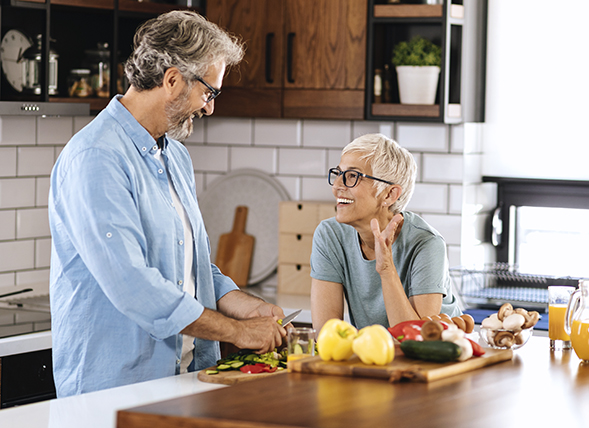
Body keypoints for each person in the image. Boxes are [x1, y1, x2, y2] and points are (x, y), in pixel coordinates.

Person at [48, 11, 286, 397]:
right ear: (173, 80)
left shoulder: (174, 155)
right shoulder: (96, 157)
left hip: (183, 381)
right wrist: (238, 332)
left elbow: (187, 266)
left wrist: (237, 303)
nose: (209, 108)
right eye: (209, 92)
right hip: (113, 391)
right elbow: (133, 284)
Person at [310, 133, 462, 333]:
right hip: (378, 355)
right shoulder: (330, 235)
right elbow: (326, 333)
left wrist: (387, 270)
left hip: (441, 356)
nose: (337, 186)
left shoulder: (426, 244)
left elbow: (418, 340)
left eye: (352, 176)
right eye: (338, 174)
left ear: (389, 194)